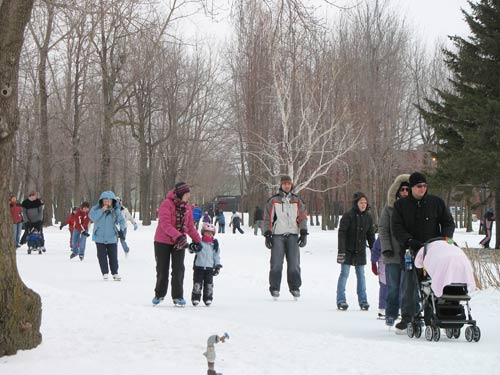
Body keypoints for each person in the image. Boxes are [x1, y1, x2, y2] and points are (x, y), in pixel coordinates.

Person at [392, 172, 455, 333]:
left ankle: (431, 317)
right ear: (412, 188)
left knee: (431, 286)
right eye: (419, 186)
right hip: (411, 251)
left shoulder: (436, 203)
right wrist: (409, 241)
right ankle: (407, 318)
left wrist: (445, 238)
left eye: (425, 186)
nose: (422, 189)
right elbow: (397, 228)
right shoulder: (401, 205)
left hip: (433, 251)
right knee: (409, 286)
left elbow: (447, 222)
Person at [152, 182, 202, 306]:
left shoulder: (187, 208)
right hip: (162, 241)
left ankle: (178, 296)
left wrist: (198, 241)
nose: (188, 196)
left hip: (180, 242)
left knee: (179, 269)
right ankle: (159, 294)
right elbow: (165, 224)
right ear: (180, 194)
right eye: (186, 193)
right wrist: (179, 236)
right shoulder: (166, 204)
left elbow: (190, 227)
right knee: (162, 269)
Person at [264, 175, 308, 299]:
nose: (287, 186)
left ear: (291, 185)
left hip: (293, 235)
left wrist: (303, 232)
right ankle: (275, 288)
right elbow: (267, 218)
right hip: (278, 235)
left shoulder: (297, 200)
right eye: (284, 184)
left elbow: (303, 217)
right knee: (276, 264)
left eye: (289, 184)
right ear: (281, 186)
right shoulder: (273, 200)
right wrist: (267, 234)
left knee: (294, 264)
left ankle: (295, 287)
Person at [378, 174, 410, 326]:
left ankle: (409, 315)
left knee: (408, 288)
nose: (405, 192)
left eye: (407, 189)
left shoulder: (413, 208)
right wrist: (386, 249)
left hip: (409, 253)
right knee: (393, 287)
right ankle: (391, 313)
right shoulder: (389, 208)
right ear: (397, 191)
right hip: (392, 254)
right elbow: (383, 229)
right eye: (402, 189)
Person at [336, 192, 375, 310]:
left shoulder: (368, 217)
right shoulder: (348, 215)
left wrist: (374, 250)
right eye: (361, 203)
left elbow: (371, 235)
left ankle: (363, 301)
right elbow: (341, 234)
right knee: (344, 274)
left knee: (361, 276)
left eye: (365, 203)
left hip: (360, 251)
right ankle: (341, 300)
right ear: (356, 203)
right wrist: (341, 251)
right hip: (347, 250)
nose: (363, 205)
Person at [89, 191, 126, 281]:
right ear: (101, 201)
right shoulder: (96, 209)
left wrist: (121, 229)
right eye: (105, 201)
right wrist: (102, 210)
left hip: (112, 237)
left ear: (113, 201)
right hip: (99, 237)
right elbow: (92, 217)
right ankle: (105, 272)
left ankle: (115, 273)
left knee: (113, 256)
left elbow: (122, 221)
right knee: (101, 256)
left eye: (109, 201)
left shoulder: (116, 211)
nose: (107, 203)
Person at [189, 222, 222, 306]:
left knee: (209, 285)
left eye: (211, 233)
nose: (209, 235)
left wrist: (217, 266)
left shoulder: (214, 245)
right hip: (198, 267)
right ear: (203, 233)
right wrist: (193, 247)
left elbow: (216, 256)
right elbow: (190, 250)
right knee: (197, 283)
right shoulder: (199, 241)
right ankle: (195, 298)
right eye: (207, 233)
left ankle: (208, 298)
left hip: (209, 268)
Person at [370, 237, 387, 319]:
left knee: (399, 287)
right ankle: (383, 308)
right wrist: (373, 262)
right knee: (384, 285)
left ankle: (399, 307)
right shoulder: (382, 236)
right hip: (384, 264)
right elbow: (376, 249)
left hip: (397, 262)